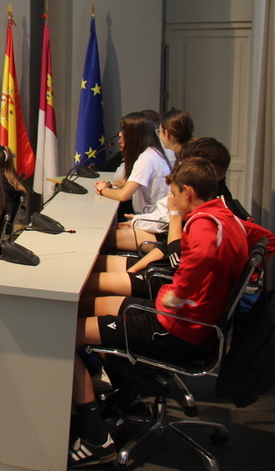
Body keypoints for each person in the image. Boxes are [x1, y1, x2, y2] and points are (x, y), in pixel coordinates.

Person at [69, 157, 248, 467]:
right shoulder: (226, 216)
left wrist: (179, 295)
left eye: (175, 194)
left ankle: (96, 439)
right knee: (81, 306)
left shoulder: (204, 223)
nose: (172, 201)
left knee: (61, 334)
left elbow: (201, 253)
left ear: (188, 192)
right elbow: (264, 240)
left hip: (177, 327)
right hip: (186, 320)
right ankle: (125, 396)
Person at [94, 113, 171, 249]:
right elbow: (128, 181)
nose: (120, 135)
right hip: (151, 222)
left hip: (155, 229)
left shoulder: (147, 158)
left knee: (97, 239)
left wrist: (102, 189)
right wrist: (110, 185)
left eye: (123, 130)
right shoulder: (153, 153)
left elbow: (124, 195)